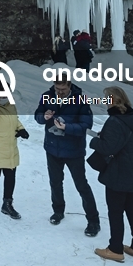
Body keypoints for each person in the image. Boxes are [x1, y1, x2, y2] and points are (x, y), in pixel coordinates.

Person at [33, 76, 100, 237]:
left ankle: (93, 221)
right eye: (57, 89)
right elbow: (38, 115)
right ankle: (58, 211)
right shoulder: (47, 96)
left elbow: (86, 125)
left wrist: (67, 127)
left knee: (81, 185)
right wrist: (45, 117)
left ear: (70, 86)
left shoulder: (80, 100)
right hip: (52, 148)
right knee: (55, 182)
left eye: (63, 90)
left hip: (73, 150)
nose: (60, 92)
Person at [90, 86, 133, 263]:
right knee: (132, 208)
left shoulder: (115, 121)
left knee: (115, 211)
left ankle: (115, 249)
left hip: (119, 173)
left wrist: (94, 141)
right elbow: (120, 140)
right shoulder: (131, 117)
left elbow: (109, 148)